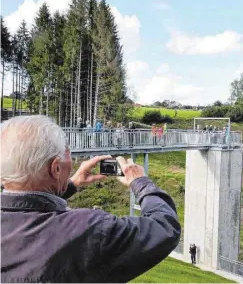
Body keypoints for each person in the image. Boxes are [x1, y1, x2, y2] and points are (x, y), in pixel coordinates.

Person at [0, 115, 181, 283]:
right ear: (56, 168)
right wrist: (140, 182)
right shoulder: (89, 228)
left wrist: (70, 184)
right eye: (67, 153)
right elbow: (164, 228)